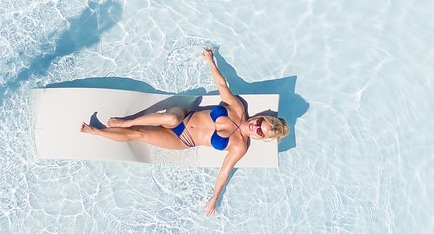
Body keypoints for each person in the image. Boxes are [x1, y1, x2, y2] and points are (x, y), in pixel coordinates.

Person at [78, 47, 288, 216]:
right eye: (260, 122)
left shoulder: (239, 145)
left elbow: (224, 171)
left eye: (260, 131)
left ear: (260, 137)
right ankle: (125, 121)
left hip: (181, 139)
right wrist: (211, 62)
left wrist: (214, 198)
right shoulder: (238, 109)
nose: (256, 126)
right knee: (170, 118)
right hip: (183, 116)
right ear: (259, 117)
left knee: (139, 135)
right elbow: (222, 85)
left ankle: (96, 132)